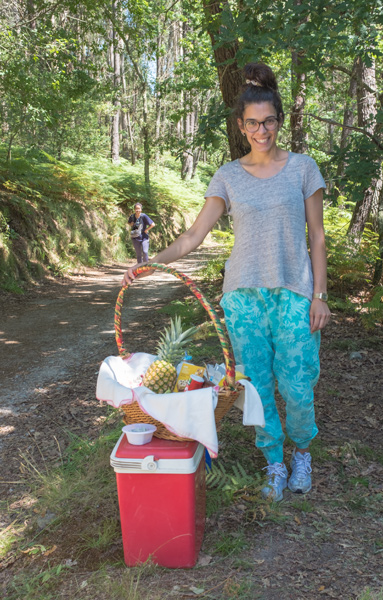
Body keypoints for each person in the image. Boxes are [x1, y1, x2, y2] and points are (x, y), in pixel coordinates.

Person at [122, 62, 331, 501]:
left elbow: (317, 235)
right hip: (242, 298)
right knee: (256, 386)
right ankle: (274, 460)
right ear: (241, 126)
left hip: (295, 293)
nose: (261, 130)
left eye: (268, 121)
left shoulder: (303, 168)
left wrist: (320, 295)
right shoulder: (228, 175)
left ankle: (302, 452)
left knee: (298, 384)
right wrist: (151, 263)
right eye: (252, 123)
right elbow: (194, 236)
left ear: (279, 121)